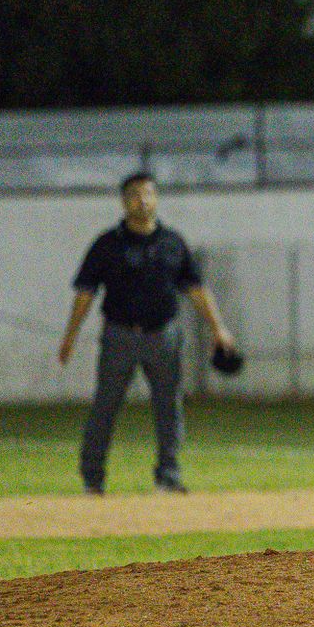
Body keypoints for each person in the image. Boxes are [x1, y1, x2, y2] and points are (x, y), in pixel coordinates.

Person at [58, 171, 235, 495]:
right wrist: (70, 335)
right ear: (124, 202)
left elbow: (196, 289)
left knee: (169, 408)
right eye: (134, 195)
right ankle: (92, 480)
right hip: (119, 337)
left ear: (156, 198)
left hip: (163, 336)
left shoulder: (172, 243)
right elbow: (85, 292)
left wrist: (218, 328)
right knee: (105, 407)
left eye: (148, 193)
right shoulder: (107, 244)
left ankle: (168, 477)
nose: (142, 200)